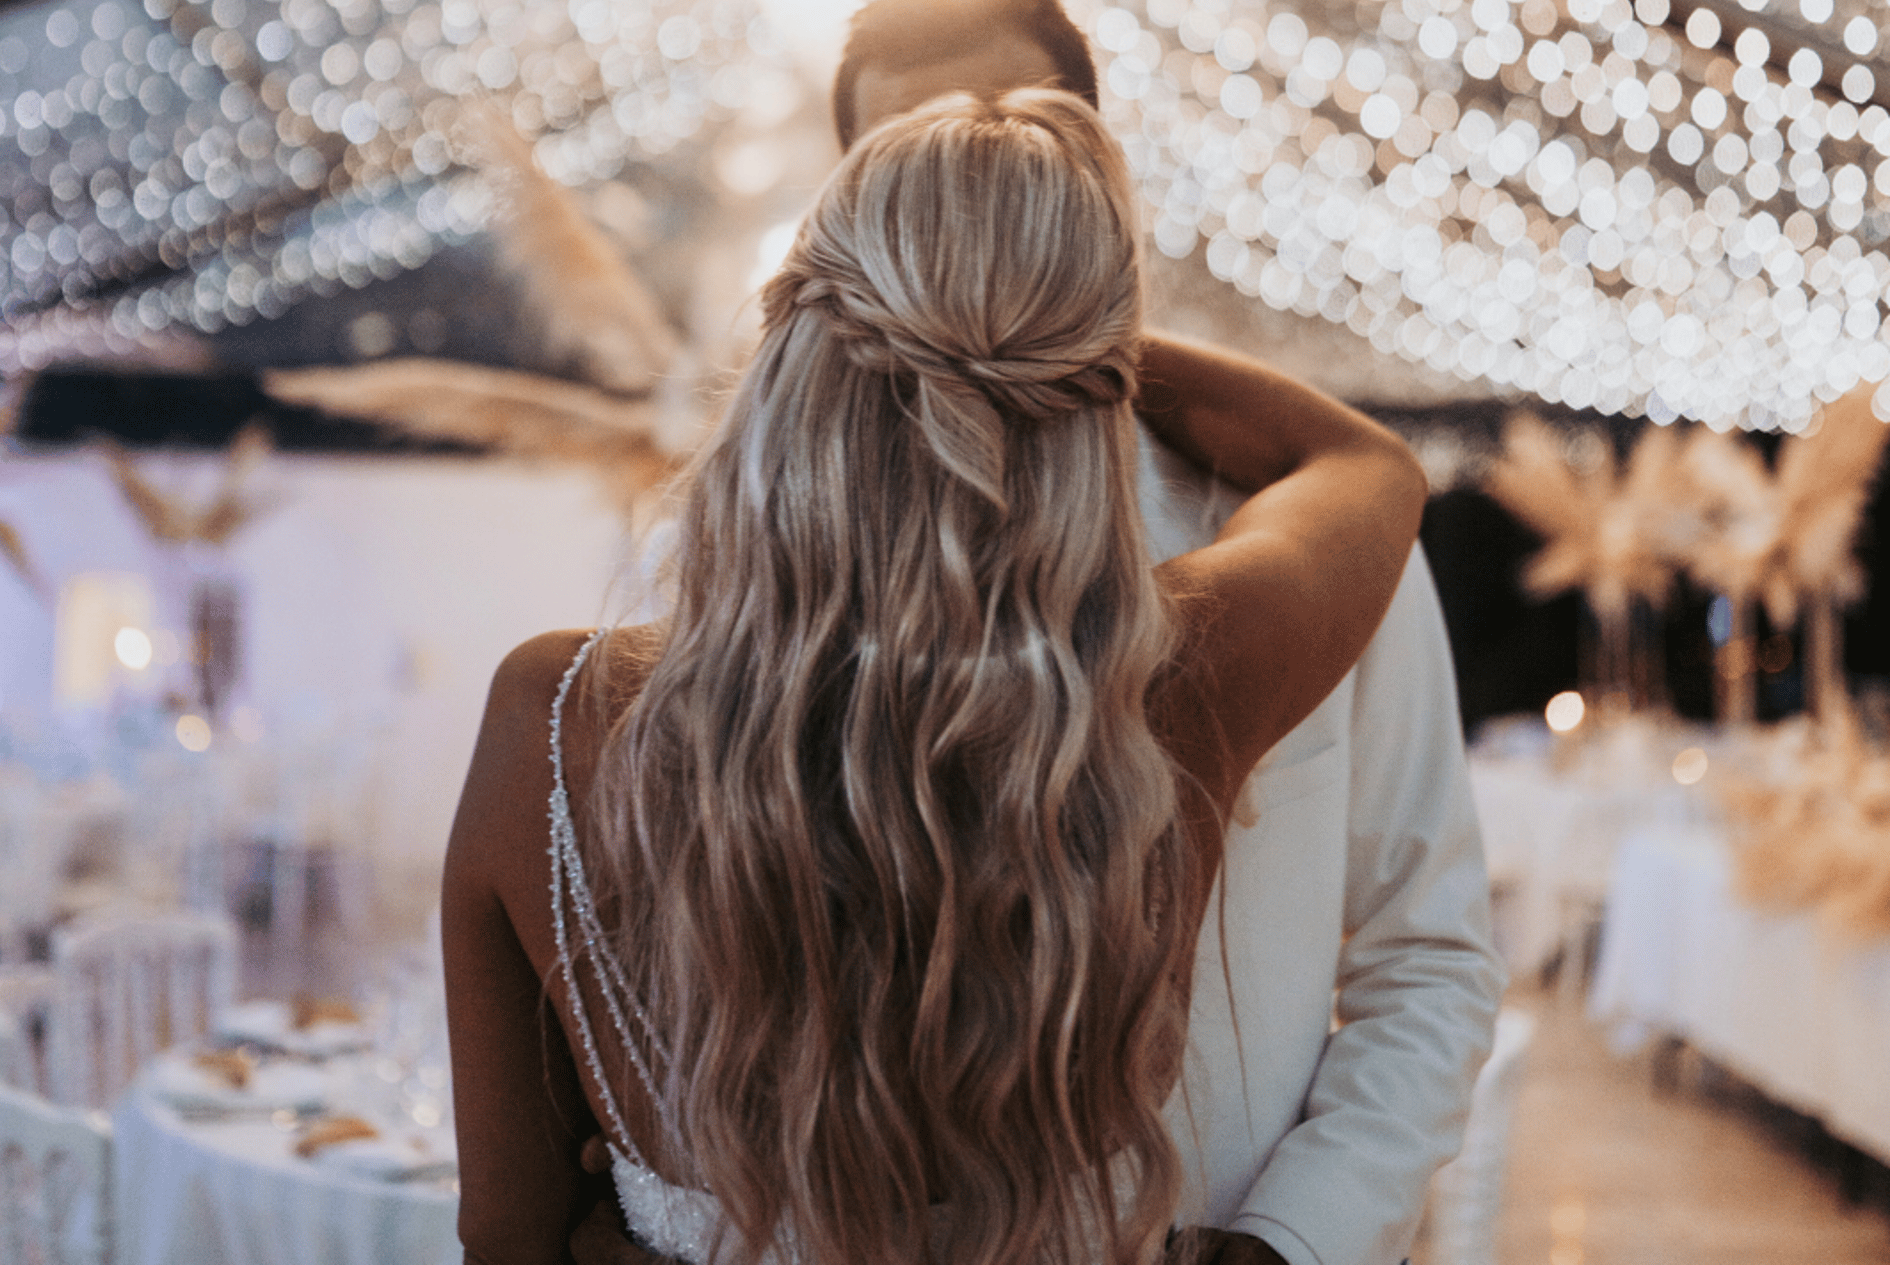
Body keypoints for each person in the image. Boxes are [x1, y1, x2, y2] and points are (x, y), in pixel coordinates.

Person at [444, 88, 1427, 1265]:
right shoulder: (1179, 684)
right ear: (1094, 386)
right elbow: (1366, 465)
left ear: (789, 358)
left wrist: (908, 310)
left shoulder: (552, 727)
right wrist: (1044, 322)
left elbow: (507, 1242)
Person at [832, 0, 1504, 1265]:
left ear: (1089, 163)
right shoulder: (759, 566)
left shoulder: (1309, 530)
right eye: (911, 165)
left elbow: (1428, 955)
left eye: (1000, 139)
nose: (972, 198)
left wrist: (1289, 1241)